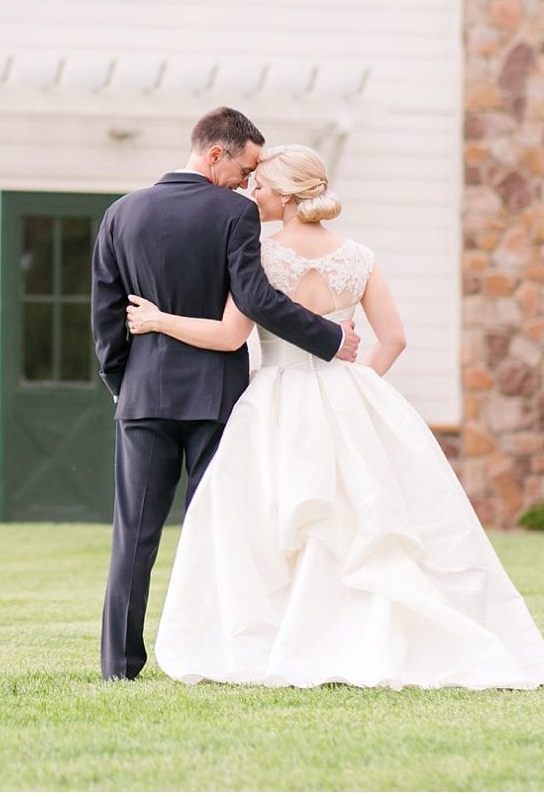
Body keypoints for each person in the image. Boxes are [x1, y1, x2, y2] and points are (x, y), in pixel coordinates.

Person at [133, 144, 544, 690]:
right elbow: (394, 338)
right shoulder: (358, 255)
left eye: (259, 184)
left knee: (276, 521)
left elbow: (228, 335)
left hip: (275, 399)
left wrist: (157, 320)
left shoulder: (258, 254)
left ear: (284, 194)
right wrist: (354, 393)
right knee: (359, 520)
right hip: (349, 394)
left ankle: (286, 641)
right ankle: (365, 639)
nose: (251, 193)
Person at [90, 109, 360, 682]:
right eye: (245, 166)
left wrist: (125, 386)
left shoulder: (120, 213)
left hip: (143, 399)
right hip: (216, 397)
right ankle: (211, 649)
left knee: (132, 536)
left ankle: (119, 665)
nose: (248, 180)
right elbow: (256, 297)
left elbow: (107, 321)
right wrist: (331, 337)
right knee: (215, 531)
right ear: (215, 154)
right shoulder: (234, 213)